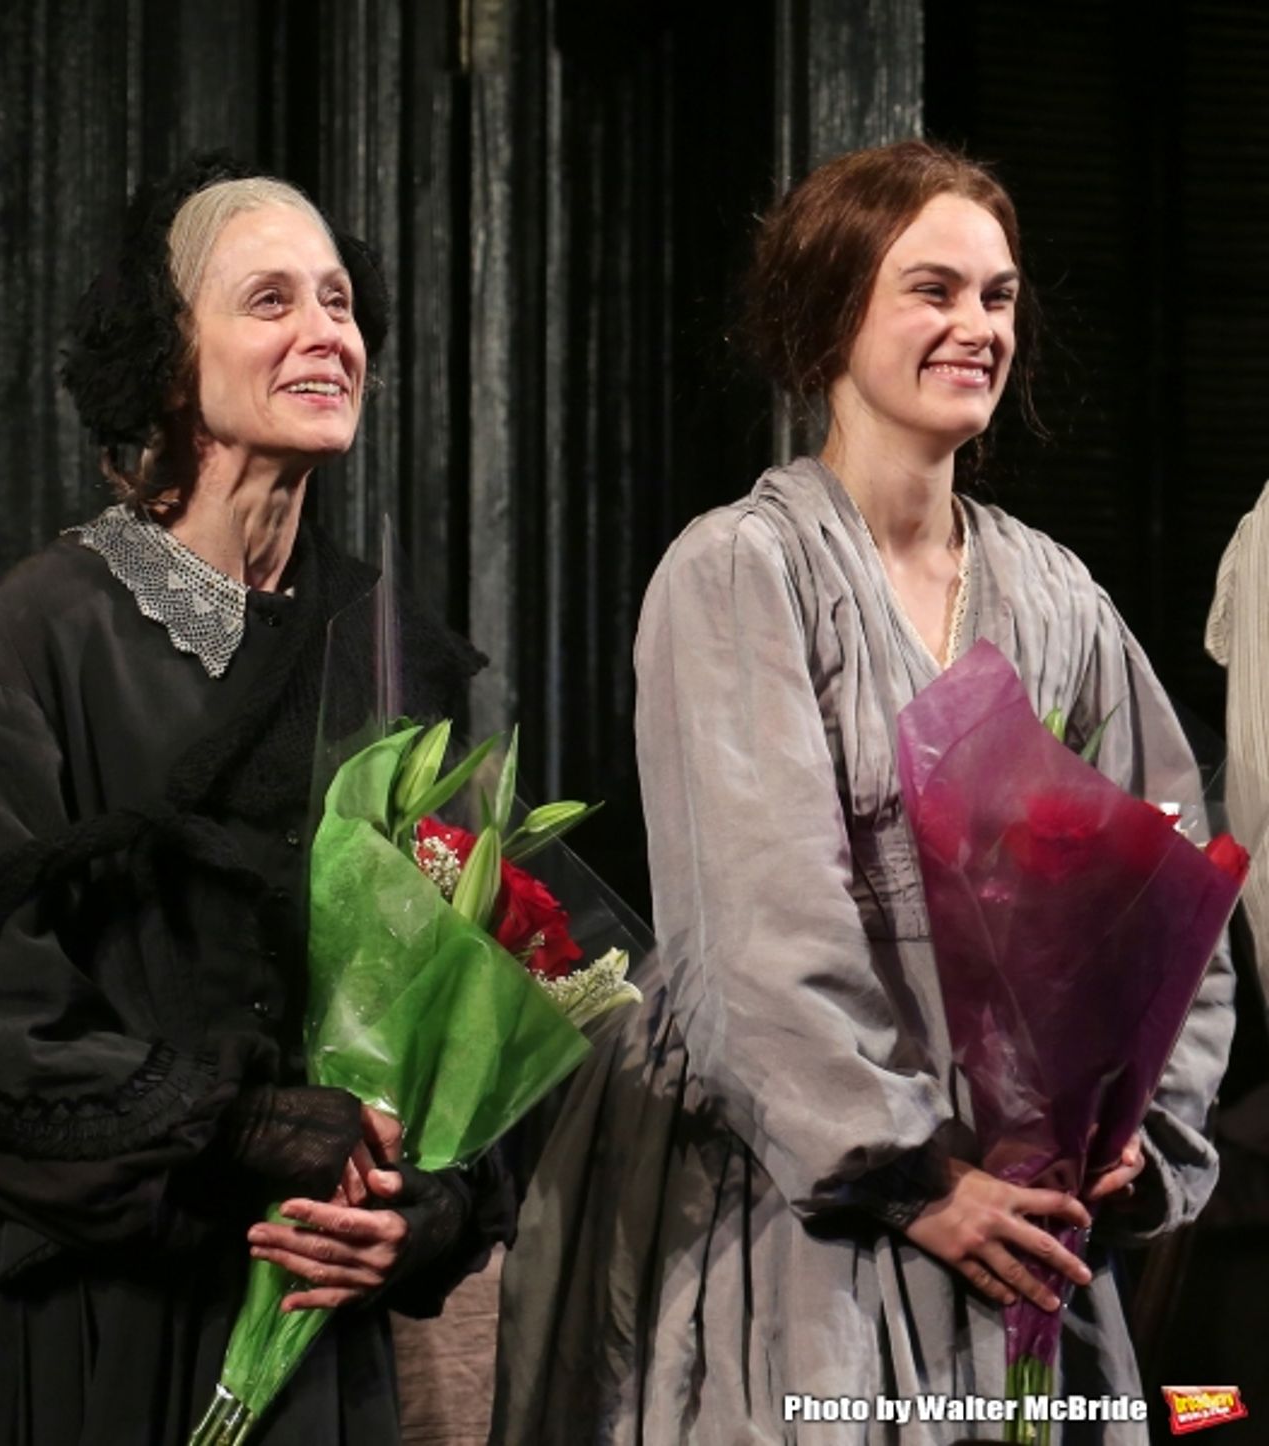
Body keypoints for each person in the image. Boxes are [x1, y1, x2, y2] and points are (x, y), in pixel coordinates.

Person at [492, 141, 1233, 1445]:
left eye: (999, 297)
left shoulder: (1060, 597)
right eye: (933, 290)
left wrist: (1130, 1125)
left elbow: (1175, 894)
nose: (977, 326)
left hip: (1033, 1215)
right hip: (810, 1212)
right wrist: (919, 1177)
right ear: (836, 313)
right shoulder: (738, 573)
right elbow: (763, 926)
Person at [0, 154, 512, 1444]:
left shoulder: (394, 655)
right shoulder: (48, 630)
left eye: (338, 302)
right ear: (172, 361)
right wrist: (249, 1128)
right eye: (269, 300)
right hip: (87, 1317)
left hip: (302, 1319)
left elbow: (473, 1003)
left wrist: (417, 1208)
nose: (326, 332)